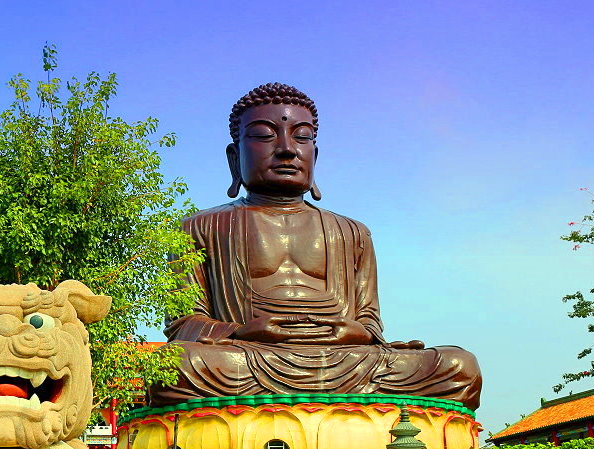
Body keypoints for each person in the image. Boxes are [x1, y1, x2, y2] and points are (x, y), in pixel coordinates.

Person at [150, 83, 481, 409]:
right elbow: (183, 323)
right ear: (234, 158)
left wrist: (358, 333)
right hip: (246, 358)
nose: (286, 149)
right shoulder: (200, 227)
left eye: (302, 136)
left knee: (459, 366)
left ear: (315, 155)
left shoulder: (352, 232)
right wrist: (240, 332)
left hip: (347, 361)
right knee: (174, 366)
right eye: (264, 135)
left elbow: (369, 320)